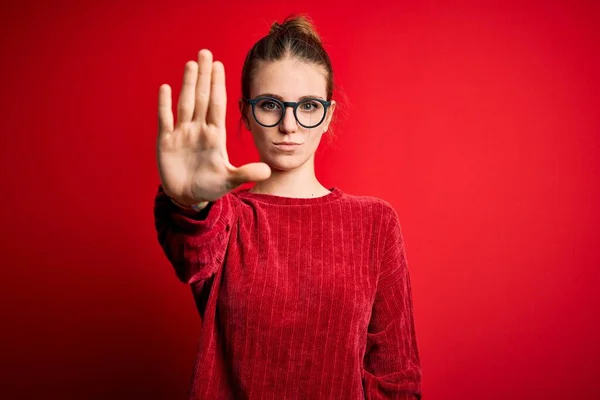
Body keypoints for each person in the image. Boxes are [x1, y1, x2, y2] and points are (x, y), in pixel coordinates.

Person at [154, 15, 422, 400]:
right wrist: (191, 203)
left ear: (328, 115)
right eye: (269, 105)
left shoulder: (375, 222)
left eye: (308, 106)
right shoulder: (225, 218)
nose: (289, 125)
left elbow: (396, 376)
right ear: (246, 113)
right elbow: (192, 247)